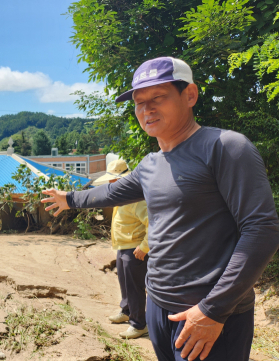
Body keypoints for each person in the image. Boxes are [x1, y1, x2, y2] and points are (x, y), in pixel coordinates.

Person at [41, 57, 279, 361]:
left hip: (209, 314)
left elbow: (262, 231)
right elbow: (114, 191)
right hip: (159, 308)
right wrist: (70, 199)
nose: (146, 109)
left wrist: (213, 310)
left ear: (189, 95)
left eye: (158, 97)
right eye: (140, 102)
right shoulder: (152, 164)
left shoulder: (225, 147)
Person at [94, 160, 150, 339]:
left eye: (113, 180)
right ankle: (126, 311)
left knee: (135, 287)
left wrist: (144, 247)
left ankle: (139, 324)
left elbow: (154, 224)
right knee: (125, 284)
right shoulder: (121, 196)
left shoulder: (137, 199)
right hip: (123, 246)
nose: (110, 184)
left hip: (135, 248)